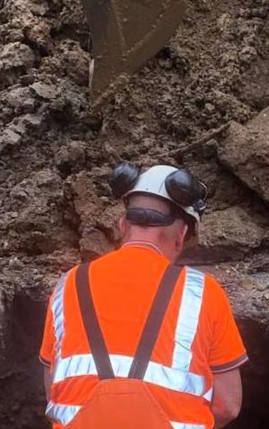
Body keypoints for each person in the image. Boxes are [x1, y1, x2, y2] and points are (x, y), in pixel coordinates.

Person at [39, 163, 248, 429]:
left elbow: (53, 393)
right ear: (182, 234)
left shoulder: (68, 285)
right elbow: (228, 405)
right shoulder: (203, 292)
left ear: (123, 224)